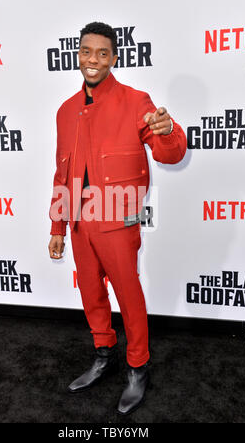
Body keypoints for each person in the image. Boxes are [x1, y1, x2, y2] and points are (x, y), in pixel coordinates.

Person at [48, 21, 187, 415]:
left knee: (128, 295)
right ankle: (104, 354)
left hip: (117, 219)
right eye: (87, 52)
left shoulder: (136, 100)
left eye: (103, 53)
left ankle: (137, 367)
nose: (94, 60)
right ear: (77, 55)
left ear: (114, 58)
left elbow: (169, 152)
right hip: (78, 222)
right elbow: (62, 174)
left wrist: (169, 129)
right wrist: (57, 226)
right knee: (91, 293)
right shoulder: (65, 111)